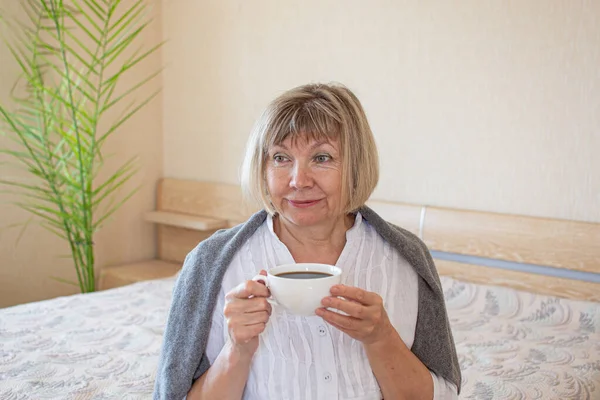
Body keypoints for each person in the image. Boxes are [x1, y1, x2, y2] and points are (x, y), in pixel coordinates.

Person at [153, 83, 461, 400]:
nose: (299, 181)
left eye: (322, 157)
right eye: (281, 157)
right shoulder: (212, 264)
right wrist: (237, 349)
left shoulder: (405, 261)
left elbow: (442, 395)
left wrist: (381, 338)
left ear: (356, 165)